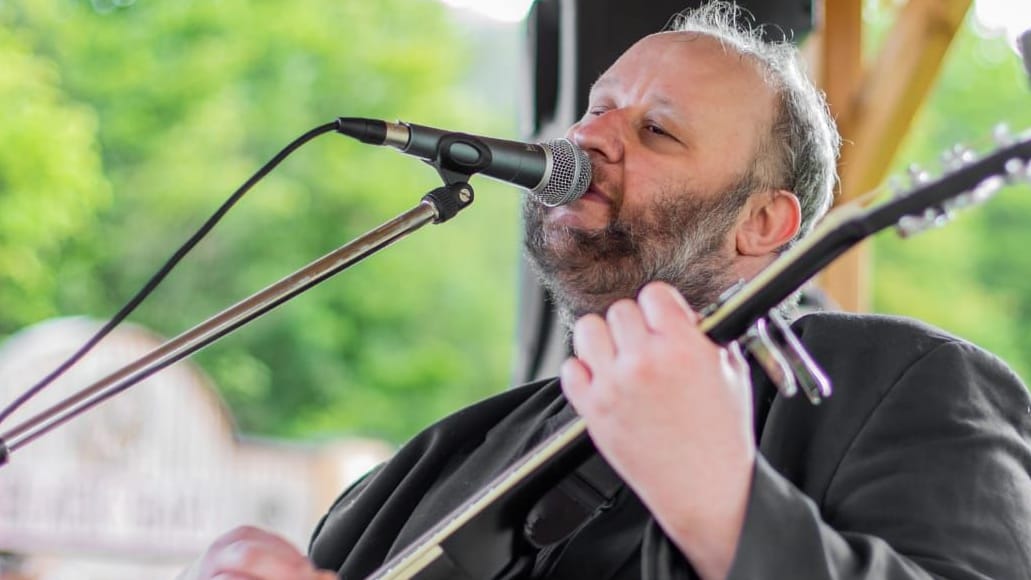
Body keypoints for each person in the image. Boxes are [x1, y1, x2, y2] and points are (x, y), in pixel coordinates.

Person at [180, 3, 1031, 579]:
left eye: (654, 129)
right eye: (595, 110)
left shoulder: (905, 382)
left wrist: (725, 506)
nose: (586, 138)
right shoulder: (448, 455)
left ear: (763, 224)